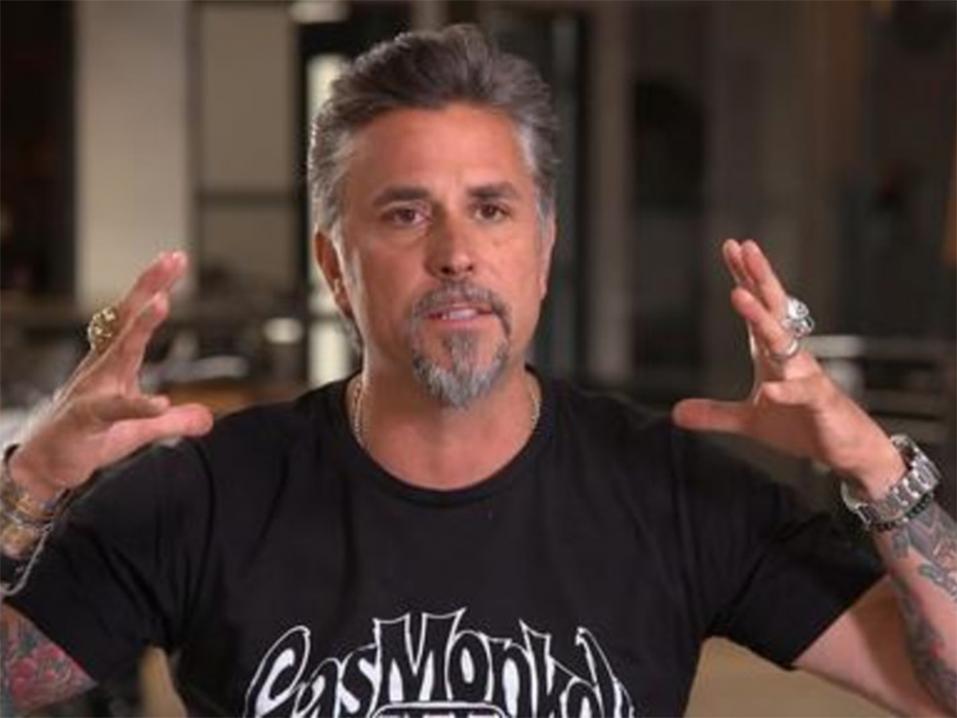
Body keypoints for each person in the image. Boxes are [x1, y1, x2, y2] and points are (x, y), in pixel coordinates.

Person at [1, 24, 954, 718]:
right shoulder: (205, 498)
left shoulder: (672, 495)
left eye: (491, 210)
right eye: (405, 213)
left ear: (543, 249)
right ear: (334, 266)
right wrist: (31, 480)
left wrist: (875, 468)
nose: (455, 253)